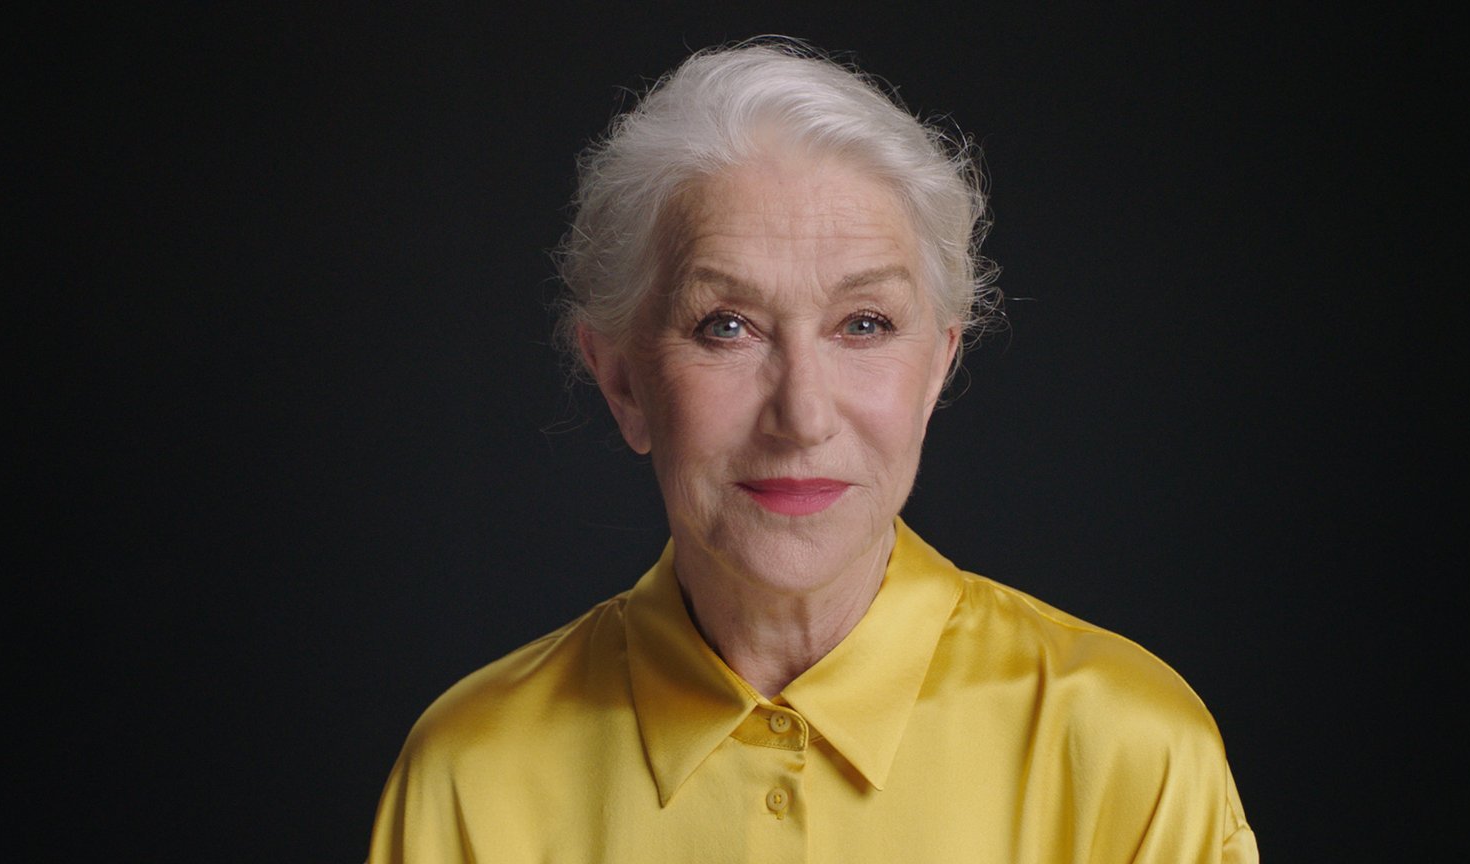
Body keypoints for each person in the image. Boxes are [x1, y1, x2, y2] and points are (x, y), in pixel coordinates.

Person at [367, 39, 1257, 863]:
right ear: (624, 384)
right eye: (728, 326)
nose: (801, 415)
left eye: (863, 324)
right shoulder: (470, 774)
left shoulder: (1130, 752)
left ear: (938, 368)